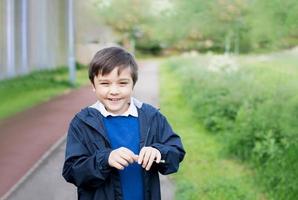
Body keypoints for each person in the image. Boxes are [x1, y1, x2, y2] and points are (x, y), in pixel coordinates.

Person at [62, 46, 185, 200]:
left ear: (133, 84)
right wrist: (105, 159)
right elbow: (72, 171)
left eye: (122, 83)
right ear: (93, 86)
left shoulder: (152, 117)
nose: (114, 91)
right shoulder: (82, 123)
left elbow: (176, 152)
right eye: (105, 83)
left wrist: (159, 152)